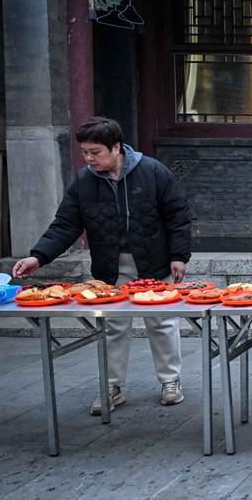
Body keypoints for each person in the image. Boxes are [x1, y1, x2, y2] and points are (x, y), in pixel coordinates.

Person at [12, 117, 192, 414]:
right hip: (109, 266)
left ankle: (170, 382)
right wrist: (38, 256)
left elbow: (178, 216)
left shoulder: (152, 172)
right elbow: (66, 224)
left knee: (162, 322)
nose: (89, 158)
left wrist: (178, 256)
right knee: (111, 326)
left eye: (95, 152)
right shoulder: (84, 181)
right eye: (85, 152)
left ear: (116, 147)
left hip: (154, 260)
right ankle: (112, 386)